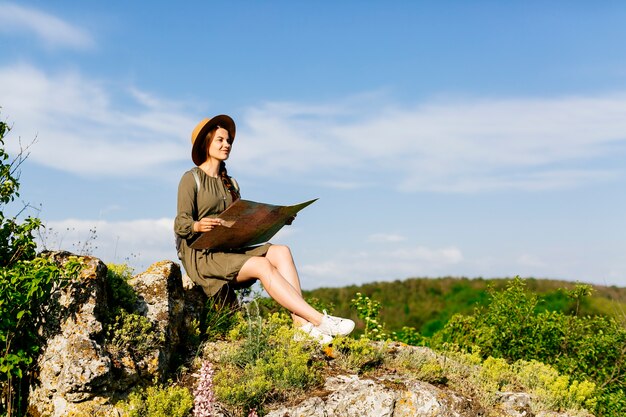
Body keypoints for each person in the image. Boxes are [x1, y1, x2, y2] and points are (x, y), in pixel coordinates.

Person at [174, 115, 354, 343]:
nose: (226, 145)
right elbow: (181, 223)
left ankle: (300, 325)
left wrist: (277, 219)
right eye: (220, 140)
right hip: (203, 257)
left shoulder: (232, 183)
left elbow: (239, 223)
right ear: (206, 143)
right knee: (262, 264)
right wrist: (198, 225)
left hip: (228, 251)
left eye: (228, 141)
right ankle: (319, 321)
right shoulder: (191, 179)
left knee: (282, 251)